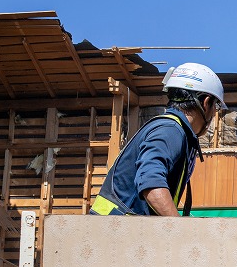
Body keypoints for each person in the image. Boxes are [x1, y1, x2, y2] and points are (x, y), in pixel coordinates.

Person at [90, 62, 226, 216]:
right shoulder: (170, 130)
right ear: (206, 102)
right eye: (216, 107)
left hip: (117, 229)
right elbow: (151, 182)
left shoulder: (171, 129)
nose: (214, 114)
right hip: (115, 232)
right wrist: (178, 229)